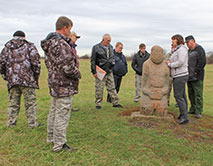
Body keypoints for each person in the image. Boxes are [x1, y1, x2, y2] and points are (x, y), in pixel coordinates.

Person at [41, 16, 81, 152]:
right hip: (64, 84)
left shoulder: (50, 43)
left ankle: (51, 137)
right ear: (65, 28)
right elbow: (68, 67)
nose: (71, 31)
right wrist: (78, 74)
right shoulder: (62, 44)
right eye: (70, 28)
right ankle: (59, 144)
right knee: (62, 114)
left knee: (53, 111)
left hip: (54, 82)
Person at [0, 30, 41, 128]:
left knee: (13, 103)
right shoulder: (30, 46)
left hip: (12, 81)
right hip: (27, 80)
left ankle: (11, 124)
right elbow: (36, 64)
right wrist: (35, 77)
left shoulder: (6, 47)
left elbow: (1, 64)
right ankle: (32, 124)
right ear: (24, 37)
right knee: (30, 103)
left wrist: (7, 77)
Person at [91, 34, 123, 109]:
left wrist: (112, 65)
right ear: (103, 40)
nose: (109, 42)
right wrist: (93, 71)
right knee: (99, 88)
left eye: (110, 41)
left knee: (112, 87)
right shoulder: (96, 47)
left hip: (109, 71)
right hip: (100, 70)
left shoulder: (111, 47)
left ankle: (115, 102)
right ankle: (98, 104)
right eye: (108, 41)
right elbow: (93, 60)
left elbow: (112, 57)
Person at [166, 34, 189, 125]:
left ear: (177, 40)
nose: (172, 41)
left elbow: (181, 62)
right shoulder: (177, 50)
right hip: (178, 75)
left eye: (173, 40)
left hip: (180, 75)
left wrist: (170, 64)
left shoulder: (182, 49)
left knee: (178, 96)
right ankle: (183, 114)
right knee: (182, 96)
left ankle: (184, 117)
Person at [185, 35, 206, 119]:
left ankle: (198, 111)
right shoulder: (188, 51)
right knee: (191, 94)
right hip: (189, 76)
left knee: (198, 94)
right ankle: (192, 108)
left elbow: (202, 62)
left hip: (197, 76)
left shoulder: (199, 49)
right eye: (186, 43)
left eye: (188, 43)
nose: (187, 45)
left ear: (193, 41)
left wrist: (196, 71)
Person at [69, 31, 80, 112]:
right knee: (69, 90)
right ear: (71, 36)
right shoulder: (68, 46)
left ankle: (69, 106)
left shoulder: (73, 47)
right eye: (75, 37)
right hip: (70, 72)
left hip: (74, 71)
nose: (76, 39)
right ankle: (68, 107)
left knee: (71, 90)